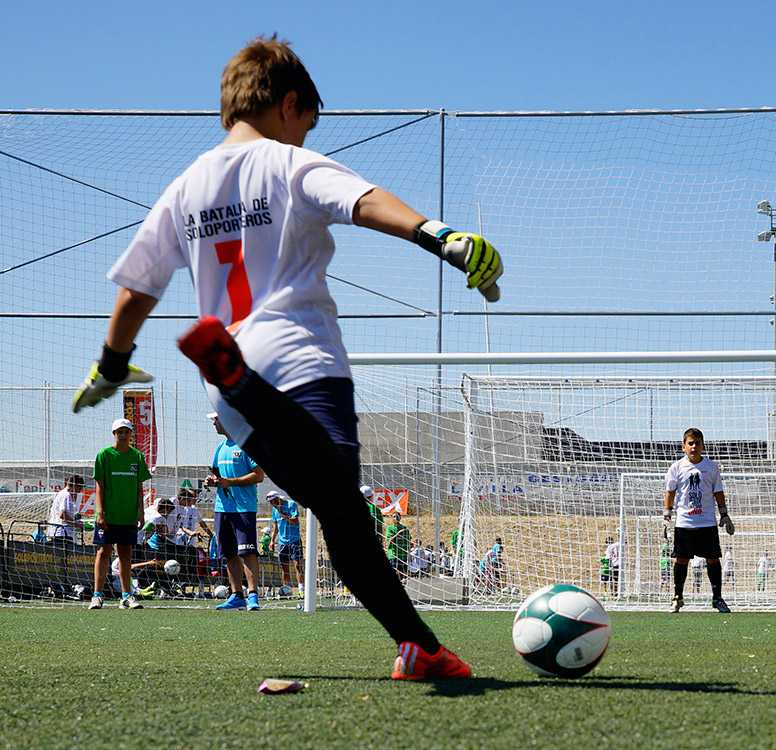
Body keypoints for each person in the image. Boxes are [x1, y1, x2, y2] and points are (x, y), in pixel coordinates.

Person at [71, 37, 498, 679]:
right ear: (290, 103)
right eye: (305, 126)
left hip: (234, 391)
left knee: (336, 504)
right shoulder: (289, 165)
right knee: (339, 498)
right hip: (301, 356)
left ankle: (418, 648)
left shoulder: (184, 187)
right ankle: (418, 646)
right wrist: (438, 234)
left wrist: (110, 365)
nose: (302, 140)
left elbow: (136, 290)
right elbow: (364, 200)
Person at [663, 427, 734, 613]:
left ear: (703, 445)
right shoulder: (676, 468)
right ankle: (677, 597)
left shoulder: (711, 467)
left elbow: (718, 492)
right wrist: (666, 515)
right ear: (683, 446)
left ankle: (717, 598)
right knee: (681, 560)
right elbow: (670, 492)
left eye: (697, 443)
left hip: (707, 522)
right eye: (690, 443)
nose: (694, 446)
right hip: (684, 522)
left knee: (712, 559)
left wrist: (724, 514)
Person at [206, 412, 266, 611]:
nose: (214, 423)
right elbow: (216, 474)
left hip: (243, 509)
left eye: (216, 419)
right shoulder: (220, 448)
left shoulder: (247, 445)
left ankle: (253, 595)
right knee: (229, 553)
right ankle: (236, 595)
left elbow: (259, 476)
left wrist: (230, 482)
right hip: (222, 509)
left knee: (247, 552)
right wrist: (211, 481)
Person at [90, 418, 151, 610]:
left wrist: (141, 513)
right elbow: (99, 486)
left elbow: (139, 488)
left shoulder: (137, 457)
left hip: (128, 516)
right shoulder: (104, 455)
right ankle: (97, 596)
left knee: (125, 555)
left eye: (126, 431)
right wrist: (100, 513)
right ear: (114, 434)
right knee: (104, 552)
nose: (123, 435)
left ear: (131, 434)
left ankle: (126, 596)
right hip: (108, 516)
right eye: (119, 432)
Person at [267, 490, 303, 594]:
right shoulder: (274, 510)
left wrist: (283, 515)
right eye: (270, 502)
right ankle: (286, 589)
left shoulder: (291, 504)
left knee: (298, 566)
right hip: (282, 543)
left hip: (294, 540)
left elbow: (295, 521)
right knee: (284, 567)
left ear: (278, 499)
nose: (271, 504)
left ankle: (301, 590)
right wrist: (272, 541)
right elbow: (275, 527)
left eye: (272, 501)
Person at [47, 475, 85, 543]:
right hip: (62, 533)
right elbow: (63, 515)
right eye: (80, 487)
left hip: (60, 532)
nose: (80, 490)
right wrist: (77, 524)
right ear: (74, 485)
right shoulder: (66, 495)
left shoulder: (64, 494)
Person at [385, 512, 411, 578]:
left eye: (397, 516)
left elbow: (408, 541)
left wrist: (409, 552)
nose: (396, 518)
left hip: (403, 555)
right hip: (393, 554)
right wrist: (398, 534)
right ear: (392, 518)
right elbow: (389, 540)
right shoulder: (390, 528)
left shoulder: (405, 528)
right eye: (394, 516)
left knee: (403, 576)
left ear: (400, 518)